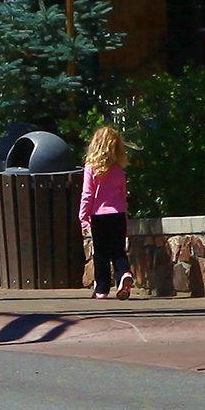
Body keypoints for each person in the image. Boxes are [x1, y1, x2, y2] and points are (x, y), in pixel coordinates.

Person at [79, 121, 133, 299]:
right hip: (117, 214)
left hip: (99, 216)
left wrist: (83, 215)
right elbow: (123, 196)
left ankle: (101, 289)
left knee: (100, 252)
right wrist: (125, 219)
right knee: (118, 250)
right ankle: (124, 274)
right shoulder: (118, 170)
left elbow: (87, 194)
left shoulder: (91, 168)